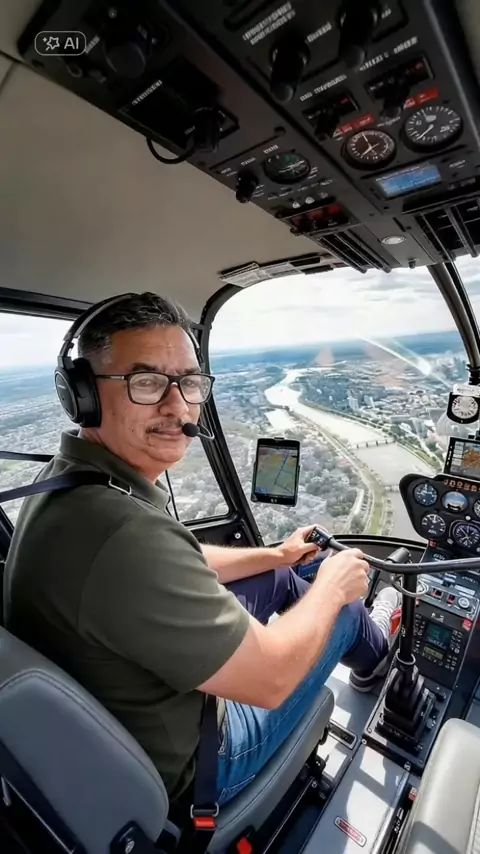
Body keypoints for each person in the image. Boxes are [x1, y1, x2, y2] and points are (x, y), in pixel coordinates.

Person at [4, 292, 401, 809]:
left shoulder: (75, 482)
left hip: (128, 708)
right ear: (83, 394)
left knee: (282, 578)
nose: (177, 406)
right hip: (202, 759)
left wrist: (276, 556)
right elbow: (271, 680)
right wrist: (331, 590)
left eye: (189, 383)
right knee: (341, 607)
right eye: (147, 382)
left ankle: (358, 632)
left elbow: (177, 558)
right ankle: (380, 662)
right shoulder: (120, 534)